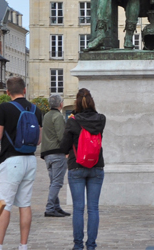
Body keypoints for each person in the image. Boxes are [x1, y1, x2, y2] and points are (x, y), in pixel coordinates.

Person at [0, 77, 43, 250]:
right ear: (24, 90)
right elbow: (38, 140)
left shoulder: (5, 107)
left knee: (4, 204)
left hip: (11, 160)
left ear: (7, 92)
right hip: (30, 160)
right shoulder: (36, 109)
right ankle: (23, 245)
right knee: (25, 204)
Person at [61, 88, 106, 250]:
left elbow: (64, 145)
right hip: (97, 166)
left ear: (77, 103)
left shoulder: (73, 120)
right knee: (93, 208)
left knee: (78, 208)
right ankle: (91, 245)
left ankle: (78, 245)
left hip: (76, 166)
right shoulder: (101, 119)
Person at [40, 94, 70, 218]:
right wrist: (67, 150)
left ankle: (56, 207)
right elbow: (61, 136)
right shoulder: (58, 116)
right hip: (57, 152)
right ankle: (50, 208)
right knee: (57, 182)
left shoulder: (46, 116)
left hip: (47, 153)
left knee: (53, 182)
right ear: (61, 104)